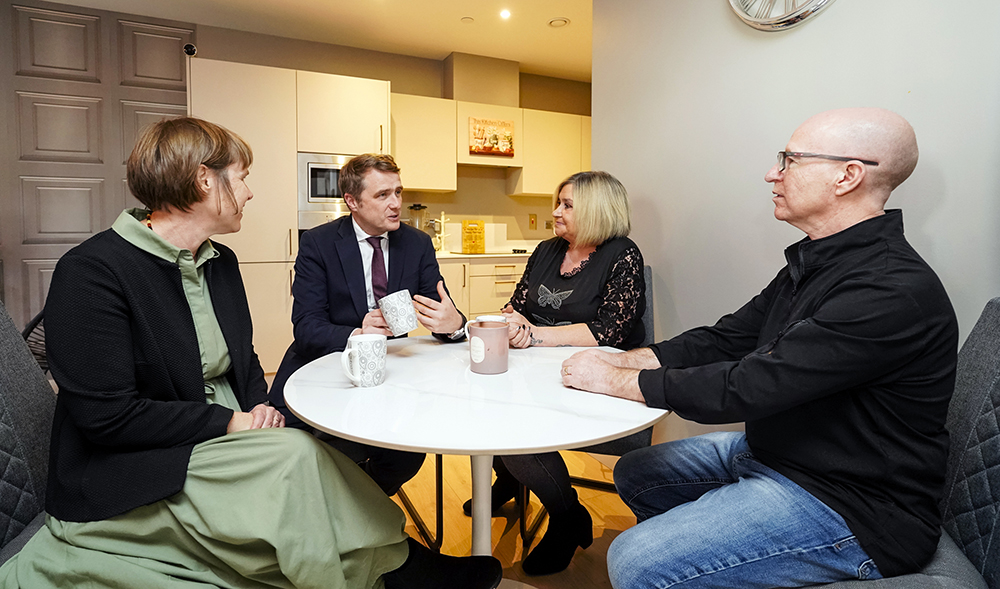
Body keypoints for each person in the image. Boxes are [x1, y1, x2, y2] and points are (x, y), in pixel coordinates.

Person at [0, 117, 502, 589]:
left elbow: (243, 364)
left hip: (223, 435)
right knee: (299, 458)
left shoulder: (220, 262)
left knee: (312, 456)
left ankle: (394, 562)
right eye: (241, 177)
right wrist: (229, 423)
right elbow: (106, 419)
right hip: (139, 461)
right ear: (203, 181)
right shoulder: (91, 272)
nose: (249, 191)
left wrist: (257, 406)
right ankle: (398, 568)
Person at [560, 108, 958, 588]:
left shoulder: (889, 288)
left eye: (789, 160)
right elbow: (728, 336)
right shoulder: (816, 261)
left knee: (636, 560)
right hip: (780, 454)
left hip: (852, 503)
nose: (773, 173)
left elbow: (747, 388)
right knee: (641, 470)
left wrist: (612, 379)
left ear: (847, 176)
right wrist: (624, 358)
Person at [465, 171, 646, 576]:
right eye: (557, 202)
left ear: (597, 210)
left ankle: (568, 516)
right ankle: (511, 478)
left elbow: (608, 332)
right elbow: (518, 305)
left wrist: (534, 336)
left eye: (566, 205)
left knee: (518, 429)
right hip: (534, 368)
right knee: (481, 400)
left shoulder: (622, 256)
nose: (555, 212)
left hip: (591, 375)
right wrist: (512, 322)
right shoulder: (547, 250)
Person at [270, 153, 466, 496]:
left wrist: (454, 324)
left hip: (392, 371)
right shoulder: (318, 243)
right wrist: (358, 334)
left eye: (398, 192)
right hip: (324, 365)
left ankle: (360, 506)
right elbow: (306, 327)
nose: (396, 204)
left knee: (408, 451)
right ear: (352, 201)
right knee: (288, 452)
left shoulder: (417, 243)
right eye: (382, 195)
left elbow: (440, 309)